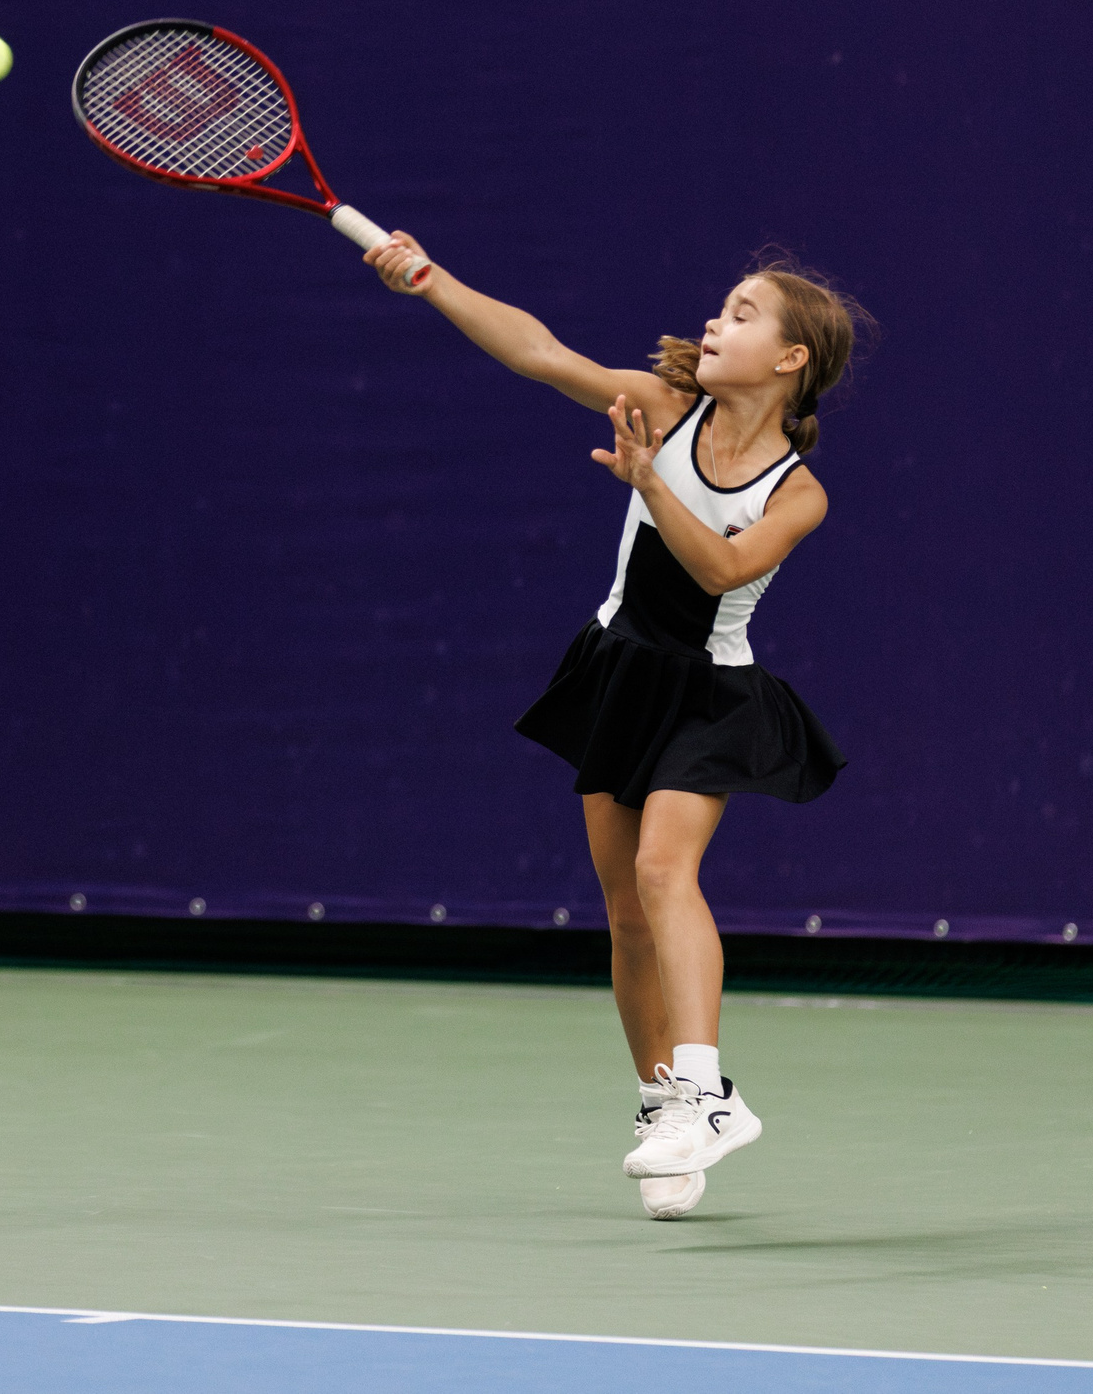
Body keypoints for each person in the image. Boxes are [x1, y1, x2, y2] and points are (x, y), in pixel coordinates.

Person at [364, 232, 859, 1220]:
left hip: (710, 694)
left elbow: (722, 570)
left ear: (790, 358)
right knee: (626, 913)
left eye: (742, 314)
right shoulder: (663, 407)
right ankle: (663, 1108)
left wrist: (650, 484)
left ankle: (706, 1093)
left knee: (665, 871)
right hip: (617, 669)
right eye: (721, 306)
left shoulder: (797, 492)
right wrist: (432, 281)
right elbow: (539, 353)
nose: (714, 321)